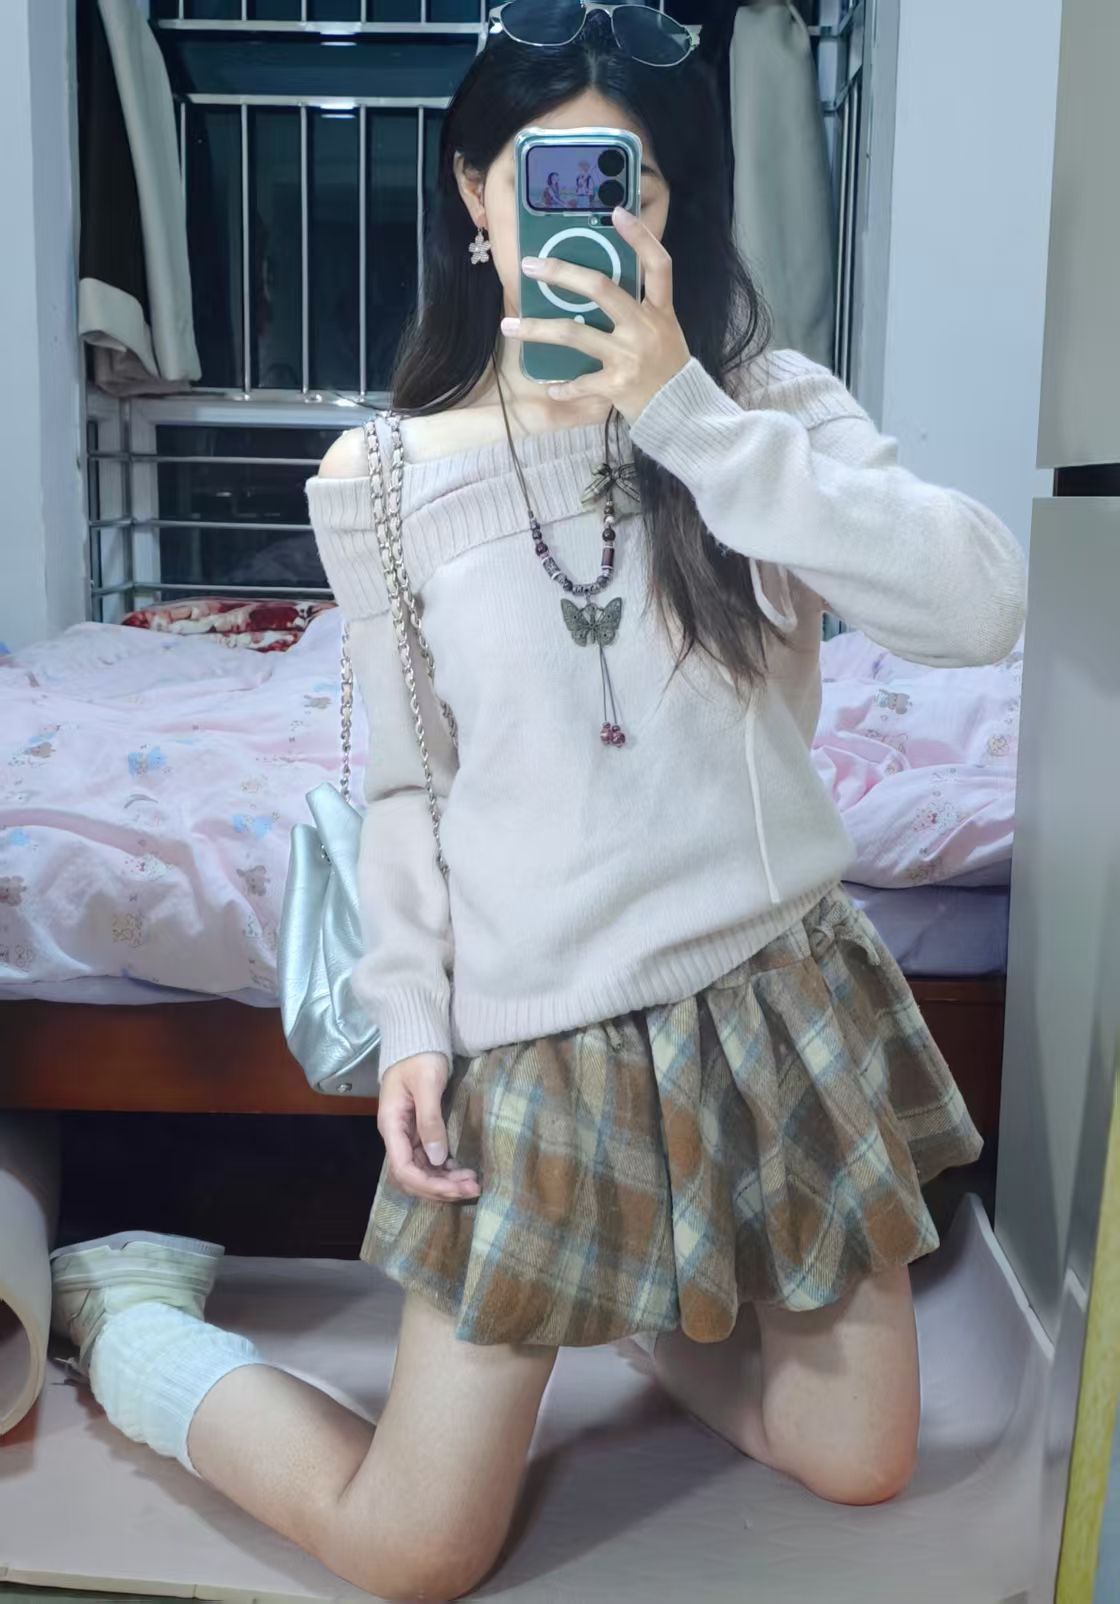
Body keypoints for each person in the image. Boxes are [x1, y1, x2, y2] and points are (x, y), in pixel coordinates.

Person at [49, 9, 1026, 1602]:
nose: (581, 223)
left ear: (671, 206)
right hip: (544, 1044)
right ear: (473, 193)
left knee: (859, 1458)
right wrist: (412, 1021)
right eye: (540, 179)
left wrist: (686, 413)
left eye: (623, 185)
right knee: (414, 1549)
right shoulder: (385, 478)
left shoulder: (763, 405)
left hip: (778, 1001)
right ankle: (129, 1322)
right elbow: (404, 780)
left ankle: (631, 1299)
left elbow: (979, 608)